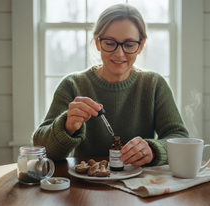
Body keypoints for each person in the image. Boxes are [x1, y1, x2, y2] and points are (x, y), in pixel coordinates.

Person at [33, 4, 188, 167]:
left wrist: (153, 149)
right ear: (98, 43)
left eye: (129, 45)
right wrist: (66, 126)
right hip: (84, 189)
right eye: (109, 43)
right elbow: (41, 149)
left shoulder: (154, 85)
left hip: (139, 187)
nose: (119, 53)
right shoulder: (72, 85)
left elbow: (180, 138)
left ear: (140, 46)